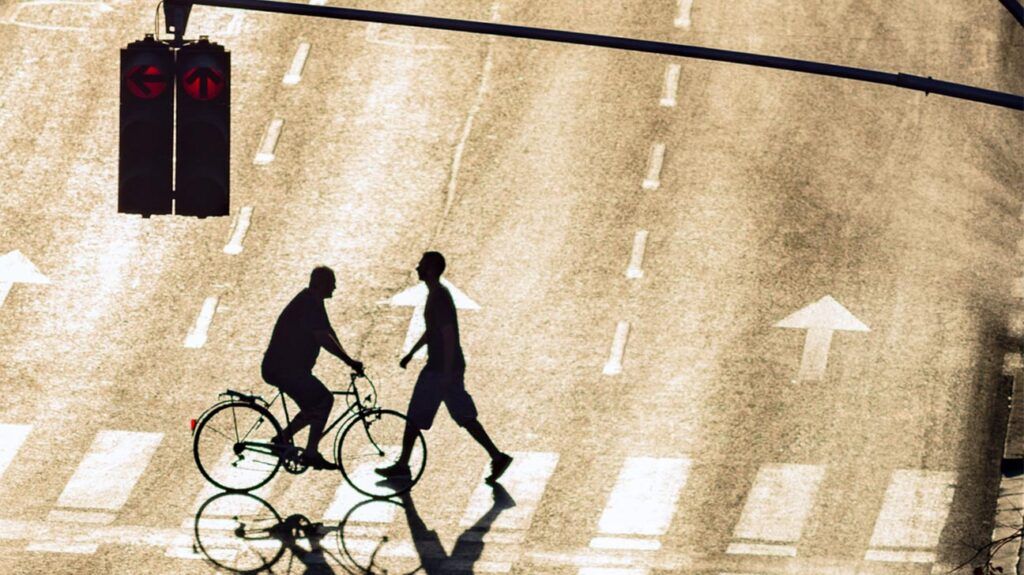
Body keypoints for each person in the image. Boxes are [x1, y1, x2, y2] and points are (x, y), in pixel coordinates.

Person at [375, 252, 513, 483]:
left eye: (422, 264)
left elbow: (448, 335)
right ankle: (497, 456)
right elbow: (433, 331)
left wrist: (448, 372)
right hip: (444, 367)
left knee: (415, 416)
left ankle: (403, 465)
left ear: (431, 269)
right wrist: (411, 353)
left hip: (440, 369)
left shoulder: (439, 296)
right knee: (464, 415)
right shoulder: (436, 294)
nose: (417, 267)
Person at [262, 266, 363, 470]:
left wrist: (349, 359)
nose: (334, 287)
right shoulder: (309, 304)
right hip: (284, 370)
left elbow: (329, 332)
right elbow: (323, 338)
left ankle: (282, 438)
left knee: (313, 408)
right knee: (324, 400)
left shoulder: (313, 301)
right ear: (321, 284)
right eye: (331, 283)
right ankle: (311, 452)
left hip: (288, 369)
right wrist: (348, 361)